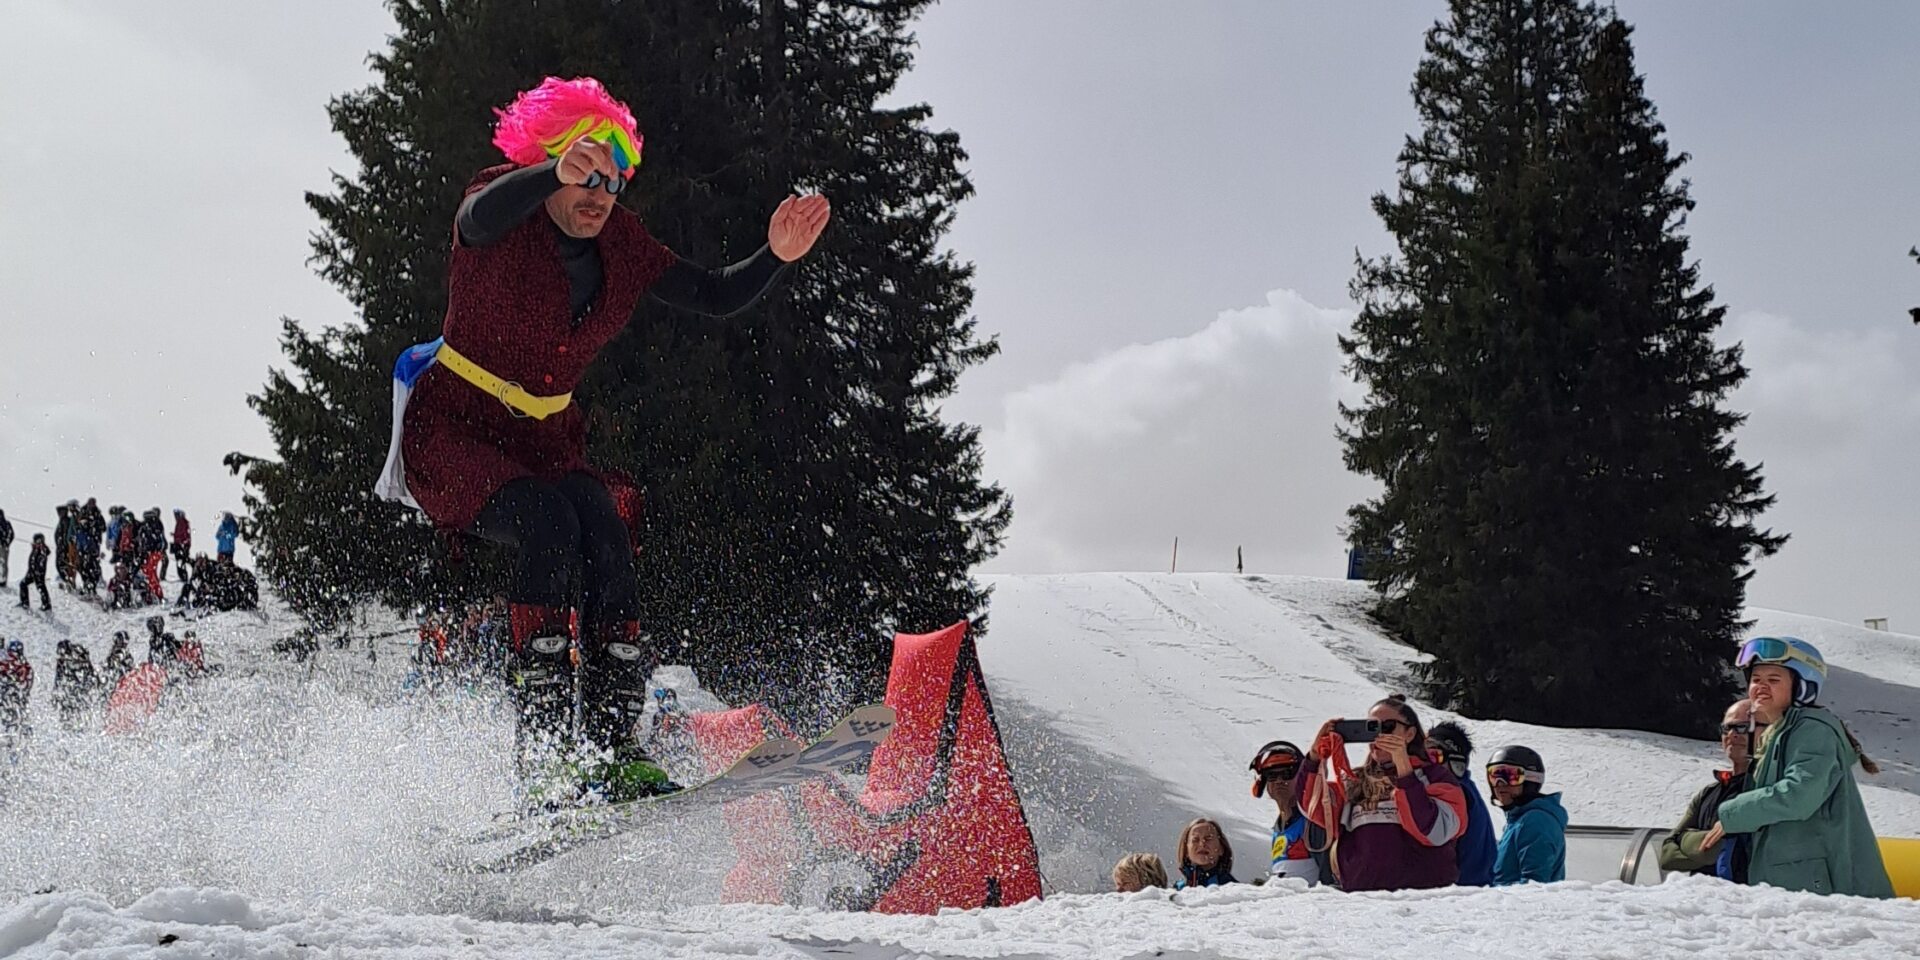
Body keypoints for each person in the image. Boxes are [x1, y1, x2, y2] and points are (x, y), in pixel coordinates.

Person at [369, 76, 830, 798]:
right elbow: (478, 217)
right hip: (454, 430)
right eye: (584, 174)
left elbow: (710, 294)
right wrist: (552, 170)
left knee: (606, 531)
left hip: (546, 442)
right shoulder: (501, 204)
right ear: (547, 162)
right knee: (547, 525)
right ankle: (546, 757)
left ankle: (612, 747)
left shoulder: (621, 241)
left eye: (612, 182)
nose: (598, 194)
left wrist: (773, 256)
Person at [1705, 637, 1894, 898]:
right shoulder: (1778, 733)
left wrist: (1734, 813)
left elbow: (1800, 795)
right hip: (1792, 883)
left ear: (1802, 687)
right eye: (1756, 679)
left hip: (1825, 891)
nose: (1761, 687)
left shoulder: (1812, 730)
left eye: (1774, 680)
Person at [1296, 695, 1468, 892]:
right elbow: (1311, 805)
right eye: (1371, 728)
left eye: (1386, 727)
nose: (1378, 736)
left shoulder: (1438, 777)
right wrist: (1314, 757)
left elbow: (1434, 832)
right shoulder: (1356, 781)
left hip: (1424, 902)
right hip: (1365, 900)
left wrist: (1405, 772)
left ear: (1410, 734)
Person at [1658, 698, 1759, 878]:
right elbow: (1666, 855)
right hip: (1704, 899)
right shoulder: (1708, 793)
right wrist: (1718, 844)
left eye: (1743, 727)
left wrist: (1686, 840)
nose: (1732, 735)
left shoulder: (1766, 791)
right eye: (1727, 728)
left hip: (1749, 901)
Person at [1426, 720, 1498, 887]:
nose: (1425, 764)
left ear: (1456, 763)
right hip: (1472, 888)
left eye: (1433, 757)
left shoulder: (1455, 794)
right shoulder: (1465, 789)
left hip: (1461, 892)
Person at [1249, 739, 1329, 885]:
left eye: (1287, 773)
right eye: (1272, 775)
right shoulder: (1279, 827)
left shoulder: (1312, 821)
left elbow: (1329, 877)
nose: (1279, 781)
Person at [1485, 745, 1566, 885]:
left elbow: (1534, 887)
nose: (1500, 784)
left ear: (1531, 780)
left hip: (1517, 906)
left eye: (1510, 776)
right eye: (1494, 776)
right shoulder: (1518, 820)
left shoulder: (1535, 822)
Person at [1173, 817, 1237, 888]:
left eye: (1208, 838)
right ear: (1186, 851)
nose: (1202, 844)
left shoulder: (1233, 891)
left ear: (1221, 849)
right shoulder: (1178, 891)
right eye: (1195, 840)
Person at [53, 640, 102, 731]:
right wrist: (56, 693)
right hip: (72, 686)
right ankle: (68, 723)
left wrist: (94, 682)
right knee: (69, 703)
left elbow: (89, 668)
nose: (62, 656)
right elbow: (58, 678)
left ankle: (84, 723)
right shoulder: (62, 662)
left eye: (63, 654)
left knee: (81, 703)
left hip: (83, 683)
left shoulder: (78, 654)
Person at [138, 508, 167, 602]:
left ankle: (157, 594)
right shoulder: (146, 526)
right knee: (147, 573)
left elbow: (160, 539)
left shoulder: (156, 525)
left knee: (150, 572)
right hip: (149, 553)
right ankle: (151, 593)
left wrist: (159, 549)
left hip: (154, 552)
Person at [18, 533, 51, 611]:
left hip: (38, 574)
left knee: (41, 587)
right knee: (23, 584)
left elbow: (41, 563)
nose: (35, 543)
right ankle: (25, 603)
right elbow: (32, 560)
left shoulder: (42, 550)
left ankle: (46, 604)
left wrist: (37, 572)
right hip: (32, 572)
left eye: (37, 541)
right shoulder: (36, 549)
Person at [53, 503, 76, 589]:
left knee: (64, 565)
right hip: (61, 547)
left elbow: (65, 535)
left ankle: (68, 581)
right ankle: (67, 581)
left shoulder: (66, 521)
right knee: (61, 565)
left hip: (64, 548)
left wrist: (63, 545)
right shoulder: (62, 521)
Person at [0, 507, 12, 586]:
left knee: (3, 564)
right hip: (5, 546)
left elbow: (11, 534)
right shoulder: (7, 524)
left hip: (3, 546)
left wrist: (6, 542)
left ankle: (3, 580)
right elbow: (11, 534)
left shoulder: (6, 524)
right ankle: (3, 579)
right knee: (4, 564)